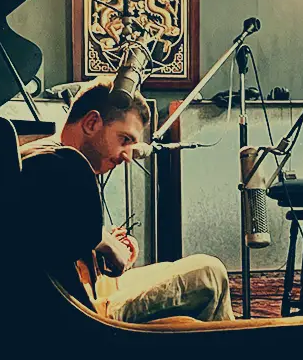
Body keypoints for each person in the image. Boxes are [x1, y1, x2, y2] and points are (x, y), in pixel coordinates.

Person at [19, 78, 235, 323]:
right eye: (124, 140)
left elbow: (56, 233)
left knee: (172, 270)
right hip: (81, 313)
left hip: (90, 288)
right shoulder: (62, 161)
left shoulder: (40, 151)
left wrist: (104, 246)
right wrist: (111, 248)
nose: (128, 156)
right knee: (208, 273)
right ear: (91, 122)